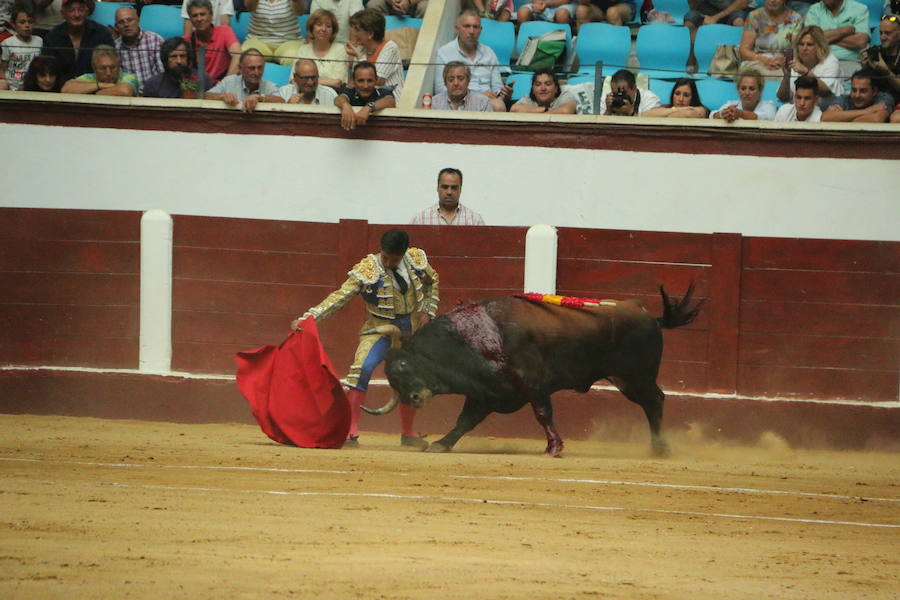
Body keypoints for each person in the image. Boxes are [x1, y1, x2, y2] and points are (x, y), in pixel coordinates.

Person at [291, 228, 439, 449]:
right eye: (385, 257)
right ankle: (350, 431)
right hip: (379, 328)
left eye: (394, 259)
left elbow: (432, 281)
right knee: (361, 368)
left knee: (412, 377)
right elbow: (339, 297)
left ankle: (408, 433)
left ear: (404, 253)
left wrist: (428, 310)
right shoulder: (368, 269)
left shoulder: (415, 260)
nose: (388, 262)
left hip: (411, 329)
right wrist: (308, 318)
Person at [434, 10, 511, 112]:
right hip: (457, 98)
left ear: (480, 30)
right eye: (467, 26)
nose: (471, 31)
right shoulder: (445, 52)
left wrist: (504, 94)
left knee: (498, 105)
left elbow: (496, 88)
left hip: (488, 101)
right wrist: (478, 95)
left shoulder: (489, 53)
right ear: (457, 29)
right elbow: (440, 90)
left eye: (475, 27)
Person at [41, 0, 114, 81]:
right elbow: (46, 68)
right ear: (63, 14)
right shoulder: (52, 36)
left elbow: (112, 65)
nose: (77, 15)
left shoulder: (102, 33)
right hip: (61, 89)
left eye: (81, 10)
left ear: (87, 12)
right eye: (71, 10)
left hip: (95, 86)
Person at [804, 0, 870, 80]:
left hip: (850, 63)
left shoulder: (859, 9)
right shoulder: (814, 10)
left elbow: (860, 42)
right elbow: (811, 39)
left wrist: (824, 38)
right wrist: (843, 31)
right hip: (820, 63)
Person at [776, 25, 843, 102]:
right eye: (801, 44)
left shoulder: (830, 61)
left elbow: (826, 93)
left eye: (809, 44)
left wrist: (806, 72)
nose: (804, 48)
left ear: (820, 47)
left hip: (829, 108)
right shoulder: (794, 62)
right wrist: (787, 76)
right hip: (800, 109)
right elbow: (782, 98)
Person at [739, 0, 803, 81]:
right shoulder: (754, 16)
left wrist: (784, 60)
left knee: (794, 77)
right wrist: (764, 60)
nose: (772, 1)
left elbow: (798, 51)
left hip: (785, 64)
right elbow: (744, 50)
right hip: (758, 61)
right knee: (751, 76)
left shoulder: (796, 18)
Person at [345, 9, 404, 96]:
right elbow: (353, 83)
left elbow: (375, 82)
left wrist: (359, 57)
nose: (354, 34)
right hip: (366, 102)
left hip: (391, 104)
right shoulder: (361, 49)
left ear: (370, 34)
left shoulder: (390, 48)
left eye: (357, 30)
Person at [206, 47, 282, 111]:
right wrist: (222, 96)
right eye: (251, 68)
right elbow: (205, 96)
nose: (257, 72)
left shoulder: (269, 85)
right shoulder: (228, 82)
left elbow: (281, 101)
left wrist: (259, 97)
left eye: (260, 68)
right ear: (240, 68)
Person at [292, 9, 349, 90]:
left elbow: (337, 83)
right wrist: (327, 81)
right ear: (312, 28)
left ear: (333, 31)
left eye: (328, 26)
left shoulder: (340, 50)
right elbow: (293, 81)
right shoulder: (303, 50)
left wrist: (305, 81)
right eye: (319, 25)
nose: (323, 29)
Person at [113, 6, 164, 94]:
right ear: (116, 27)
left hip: (155, 95)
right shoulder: (114, 47)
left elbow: (163, 75)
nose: (126, 25)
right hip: (128, 97)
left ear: (138, 21)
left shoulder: (155, 40)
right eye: (121, 22)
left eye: (130, 20)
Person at [142, 36, 214, 98]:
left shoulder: (203, 79)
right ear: (165, 60)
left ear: (188, 58)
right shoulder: (153, 84)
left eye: (182, 56)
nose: (179, 61)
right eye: (173, 56)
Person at [187, 0, 240, 83]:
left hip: (223, 87)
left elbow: (238, 56)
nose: (199, 19)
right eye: (195, 16)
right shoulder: (186, 40)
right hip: (196, 89)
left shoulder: (225, 32)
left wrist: (225, 85)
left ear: (211, 16)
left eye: (203, 14)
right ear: (190, 19)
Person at [410, 168, 486, 225]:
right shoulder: (421, 220)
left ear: (460, 189)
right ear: (437, 188)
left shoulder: (475, 220)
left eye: (454, 188)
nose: (449, 192)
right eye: (445, 187)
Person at [860, 13, 900, 122]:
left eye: (887, 33)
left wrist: (885, 71)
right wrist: (865, 69)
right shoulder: (875, 53)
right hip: (874, 99)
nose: (882, 37)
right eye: (881, 33)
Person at [335, 60, 395, 130]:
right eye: (361, 81)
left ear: (376, 80)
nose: (365, 86)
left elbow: (390, 101)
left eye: (370, 81)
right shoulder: (350, 91)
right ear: (353, 81)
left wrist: (368, 108)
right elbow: (338, 99)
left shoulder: (383, 92)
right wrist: (345, 105)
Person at [241, 0, 305, 64]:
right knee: (246, 56)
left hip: (289, 41)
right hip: (258, 40)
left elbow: (300, 12)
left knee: (293, 58)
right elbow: (250, 8)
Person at [60, 44, 138, 95]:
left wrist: (92, 92)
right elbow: (66, 90)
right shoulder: (88, 77)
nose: (108, 73)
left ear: (118, 66)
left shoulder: (129, 77)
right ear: (94, 68)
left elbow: (124, 91)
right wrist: (100, 85)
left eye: (112, 67)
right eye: (103, 68)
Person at [821, 68, 893, 121]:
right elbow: (825, 117)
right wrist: (867, 111)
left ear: (874, 91)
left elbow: (877, 119)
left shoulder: (883, 98)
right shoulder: (844, 99)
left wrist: (842, 118)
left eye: (863, 91)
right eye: (854, 90)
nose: (857, 95)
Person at [0, 3, 41, 91]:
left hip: (31, 85)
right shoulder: (8, 43)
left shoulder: (39, 41)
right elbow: (3, 68)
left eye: (30, 22)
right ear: (13, 24)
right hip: (12, 85)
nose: (27, 25)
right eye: (22, 22)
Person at [710, 68, 777, 120]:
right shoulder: (731, 104)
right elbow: (712, 115)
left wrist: (740, 114)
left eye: (752, 89)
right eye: (743, 88)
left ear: (760, 90)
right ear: (738, 90)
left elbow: (764, 118)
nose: (747, 93)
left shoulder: (769, 106)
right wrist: (723, 114)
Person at [510, 68, 577, 113]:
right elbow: (514, 109)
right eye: (538, 84)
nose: (543, 88)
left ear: (556, 88)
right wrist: (544, 109)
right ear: (533, 90)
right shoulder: (528, 98)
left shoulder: (565, 95)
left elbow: (566, 111)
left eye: (548, 84)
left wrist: (535, 112)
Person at [642, 77, 709, 118]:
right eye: (677, 94)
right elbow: (645, 115)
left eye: (686, 95)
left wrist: (661, 116)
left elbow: (688, 114)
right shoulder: (668, 108)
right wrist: (676, 109)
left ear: (693, 97)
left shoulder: (701, 109)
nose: (680, 99)